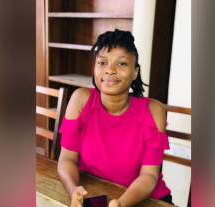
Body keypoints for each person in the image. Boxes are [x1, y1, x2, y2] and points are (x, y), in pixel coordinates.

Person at [57, 29, 174, 207]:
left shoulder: (153, 110)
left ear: (135, 73)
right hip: (95, 193)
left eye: (121, 64)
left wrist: (121, 203)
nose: (110, 70)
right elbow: (67, 159)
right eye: (102, 62)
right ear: (94, 69)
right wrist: (73, 189)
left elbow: (150, 175)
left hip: (146, 199)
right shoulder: (81, 100)